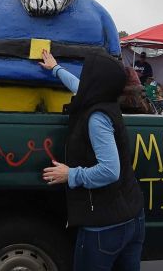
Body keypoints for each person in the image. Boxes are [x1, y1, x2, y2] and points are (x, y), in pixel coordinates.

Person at [39, 49, 145, 270]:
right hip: (132, 217)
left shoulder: (97, 118)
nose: (84, 76)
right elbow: (79, 86)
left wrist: (70, 174)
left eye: (88, 72)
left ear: (96, 80)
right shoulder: (106, 99)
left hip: (105, 228)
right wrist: (56, 68)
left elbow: (109, 171)